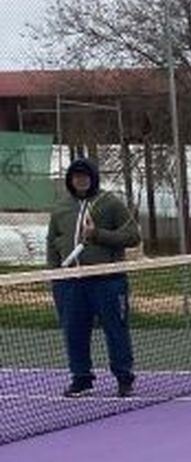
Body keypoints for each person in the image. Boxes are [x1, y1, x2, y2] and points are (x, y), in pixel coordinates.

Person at [45, 157, 141, 398]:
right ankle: (81, 379)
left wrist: (97, 234)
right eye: (76, 176)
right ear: (70, 180)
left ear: (93, 177)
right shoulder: (60, 208)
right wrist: (55, 275)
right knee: (74, 331)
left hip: (107, 281)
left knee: (115, 330)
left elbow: (132, 236)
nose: (81, 180)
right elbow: (52, 242)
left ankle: (124, 377)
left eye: (85, 176)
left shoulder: (109, 203)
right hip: (70, 284)